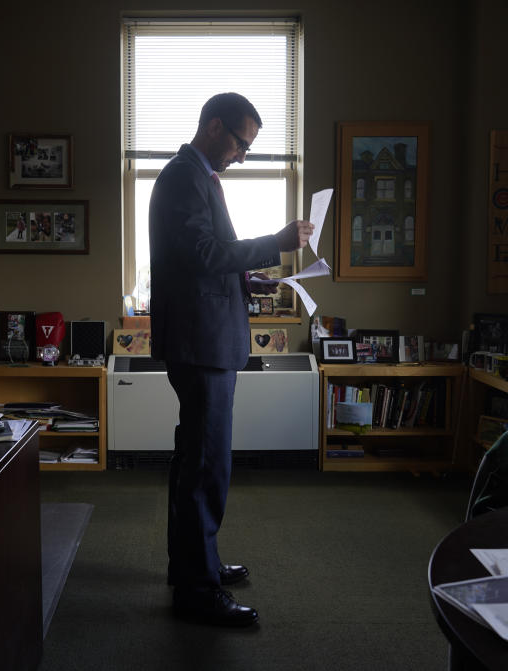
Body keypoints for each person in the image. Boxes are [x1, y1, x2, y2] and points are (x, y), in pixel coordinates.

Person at [148, 92, 314, 627]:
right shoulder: (183, 177)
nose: (242, 155)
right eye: (241, 143)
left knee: (193, 459)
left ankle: (197, 565)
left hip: (206, 337)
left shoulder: (196, 177)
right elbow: (200, 254)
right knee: (206, 465)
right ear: (214, 126)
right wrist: (277, 242)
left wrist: (248, 277)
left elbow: (204, 256)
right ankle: (198, 590)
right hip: (201, 342)